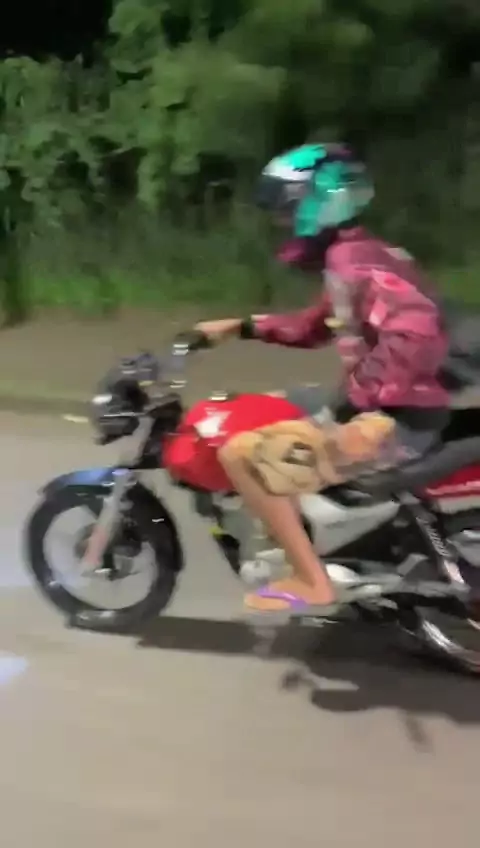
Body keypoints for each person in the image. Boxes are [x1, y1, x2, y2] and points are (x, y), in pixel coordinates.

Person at [193, 142, 450, 618]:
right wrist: (242, 327)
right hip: (396, 407)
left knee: (240, 455)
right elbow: (314, 326)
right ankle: (315, 539)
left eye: (287, 209)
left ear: (321, 201)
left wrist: (363, 407)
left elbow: (416, 330)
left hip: (396, 421)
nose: (282, 221)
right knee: (280, 406)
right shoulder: (359, 254)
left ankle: (312, 581)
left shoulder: (355, 262)